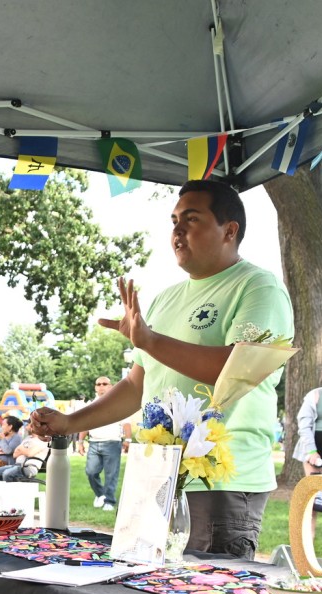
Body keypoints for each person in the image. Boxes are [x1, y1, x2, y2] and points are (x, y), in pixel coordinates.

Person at [29, 179, 294, 560]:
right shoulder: (165, 299)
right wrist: (71, 422)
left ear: (229, 230)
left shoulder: (257, 288)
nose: (177, 231)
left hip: (218, 481)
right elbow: (138, 386)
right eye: (173, 221)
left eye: (192, 219)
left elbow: (235, 370)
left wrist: (150, 340)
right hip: (153, 475)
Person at [78, 376, 126, 511]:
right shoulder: (91, 405)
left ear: (110, 386)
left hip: (112, 442)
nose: (101, 386)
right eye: (98, 384)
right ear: (95, 387)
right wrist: (80, 442)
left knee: (111, 474)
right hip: (94, 442)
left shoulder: (117, 403)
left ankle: (109, 501)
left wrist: (127, 440)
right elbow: (85, 424)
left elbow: (126, 422)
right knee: (91, 472)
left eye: (104, 384)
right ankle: (100, 495)